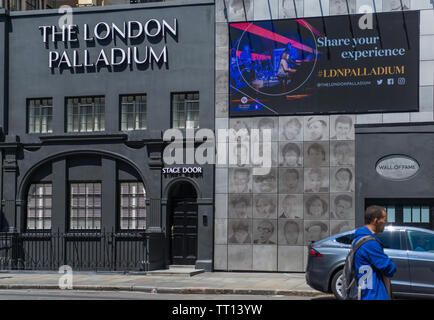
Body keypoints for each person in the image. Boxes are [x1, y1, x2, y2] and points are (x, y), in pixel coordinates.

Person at [353, 205, 397, 300]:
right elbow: (389, 268)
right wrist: (392, 263)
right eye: (384, 220)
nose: (386, 223)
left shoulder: (358, 239)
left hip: (366, 290)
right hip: (374, 294)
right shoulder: (370, 244)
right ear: (375, 220)